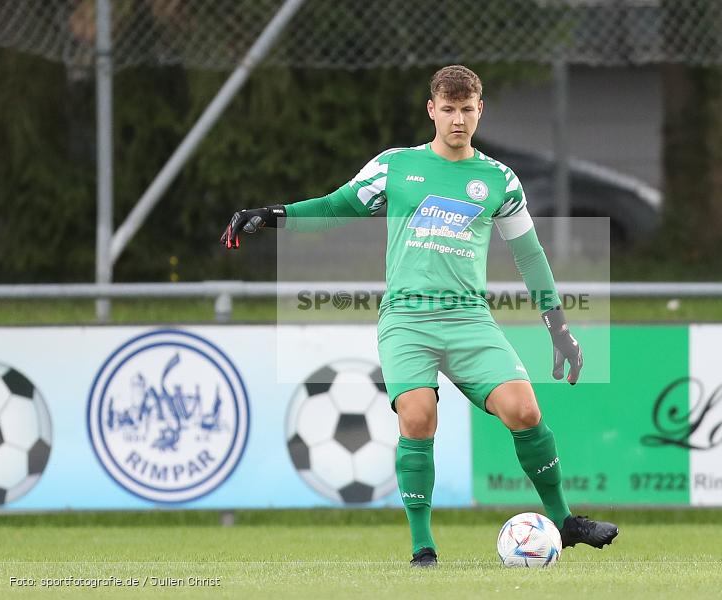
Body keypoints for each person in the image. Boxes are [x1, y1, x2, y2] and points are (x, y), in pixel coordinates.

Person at [220, 65, 618, 567]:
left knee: (526, 411)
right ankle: (422, 547)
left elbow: (530, 254)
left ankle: (564, 522)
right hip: (407, 319)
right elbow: (337, 206)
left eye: (467, 109)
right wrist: (275, 214)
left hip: (471, 319)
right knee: (418, 416)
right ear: (432, 110)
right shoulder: (395, 166)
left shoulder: (498, 179)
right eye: (448, 109)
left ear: (480, 110)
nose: (458, 120)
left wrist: (558, 328)